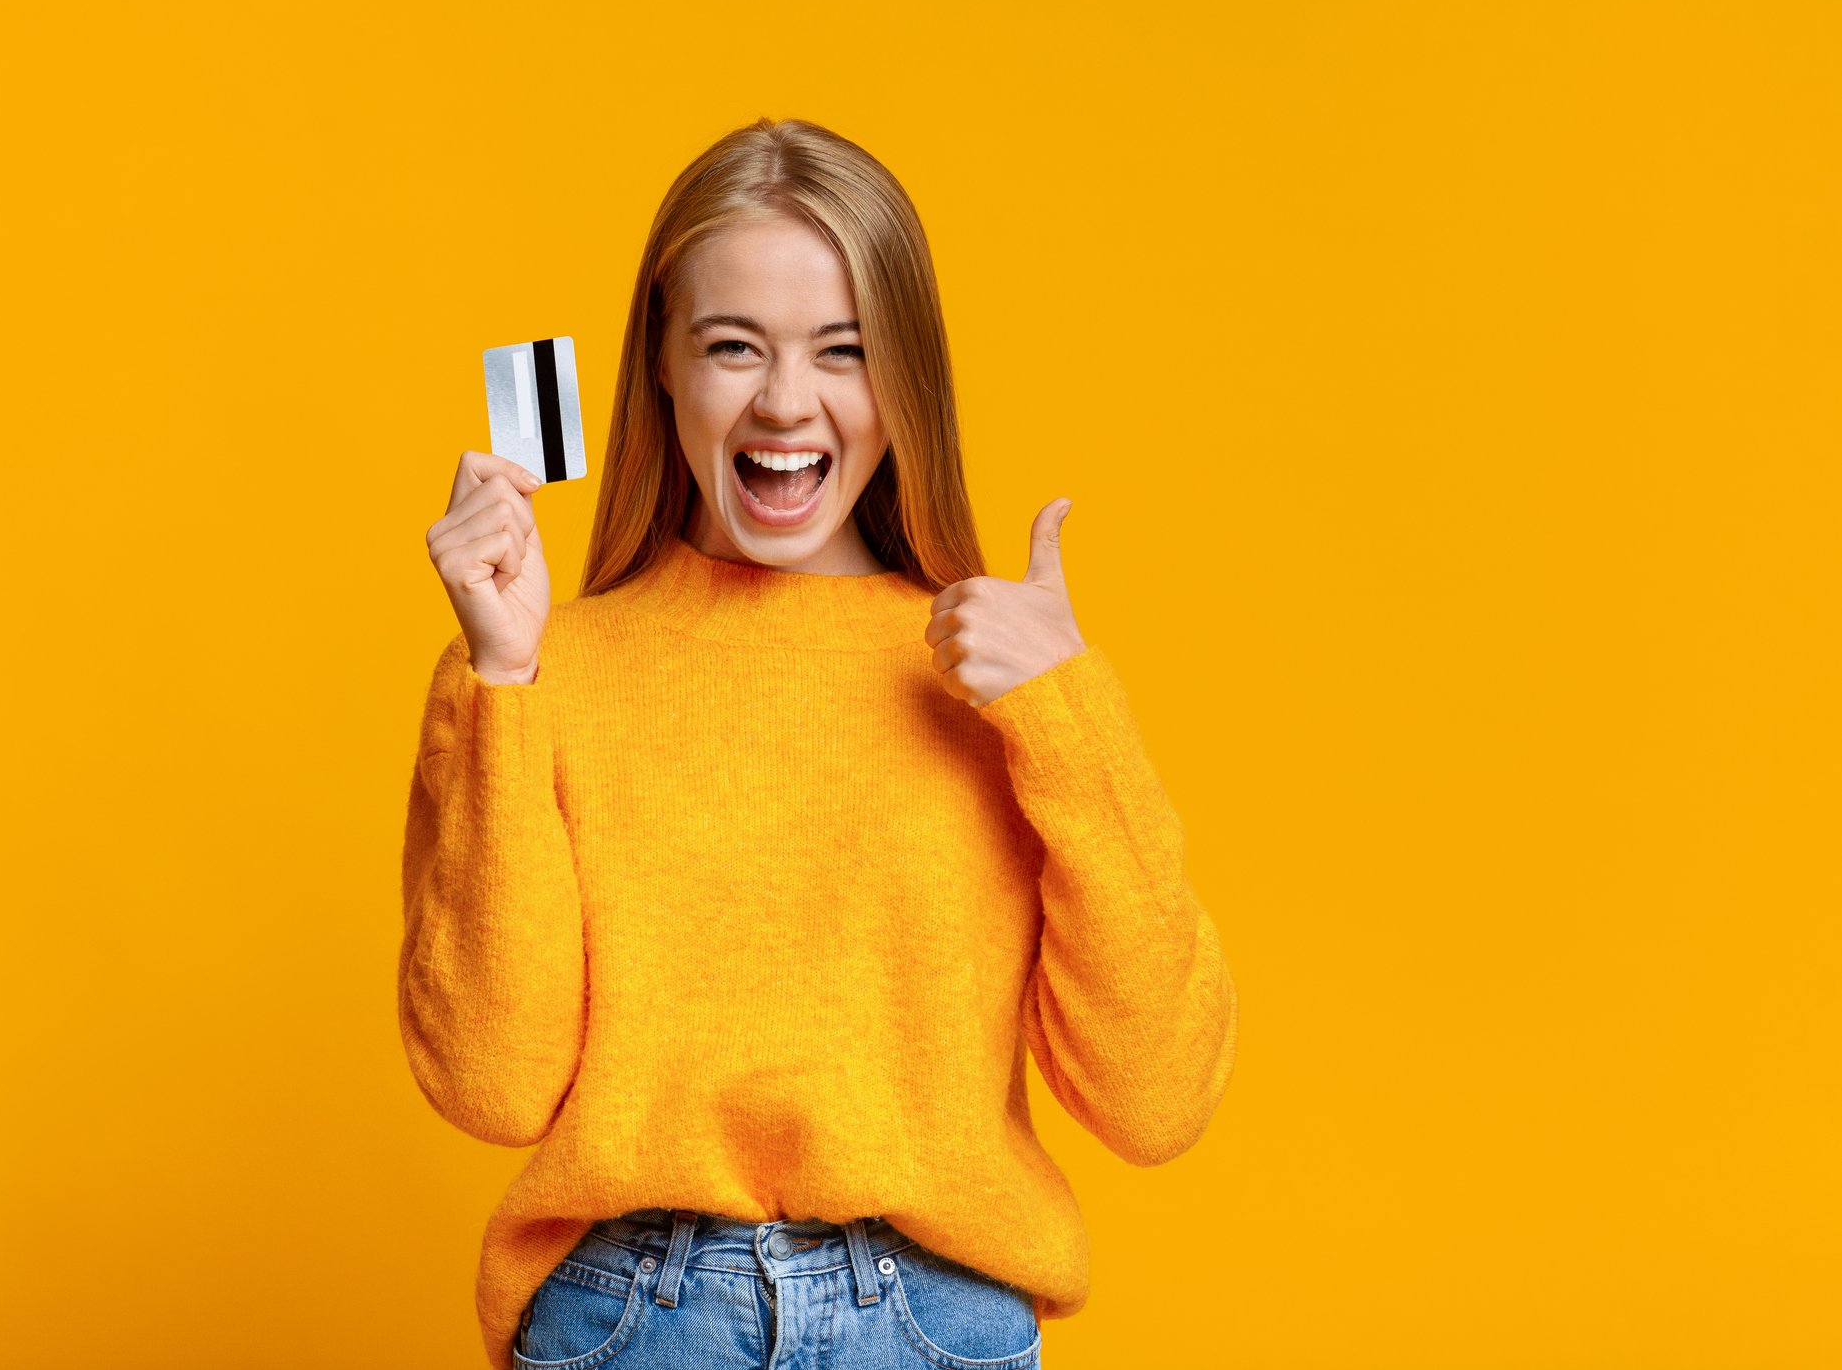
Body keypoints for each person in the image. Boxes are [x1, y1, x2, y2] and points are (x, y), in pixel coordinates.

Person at [401, 115, 1239, 1370]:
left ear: (907, 380)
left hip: (934, 1320)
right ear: (665, 368)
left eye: (842, 351)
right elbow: (491, 1084)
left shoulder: (1004, 685)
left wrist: (1071, 712)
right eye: (733, 346)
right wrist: (507, 676)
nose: (786, 401)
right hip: (636, 1322)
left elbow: (1158, 1100)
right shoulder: (540, 668)